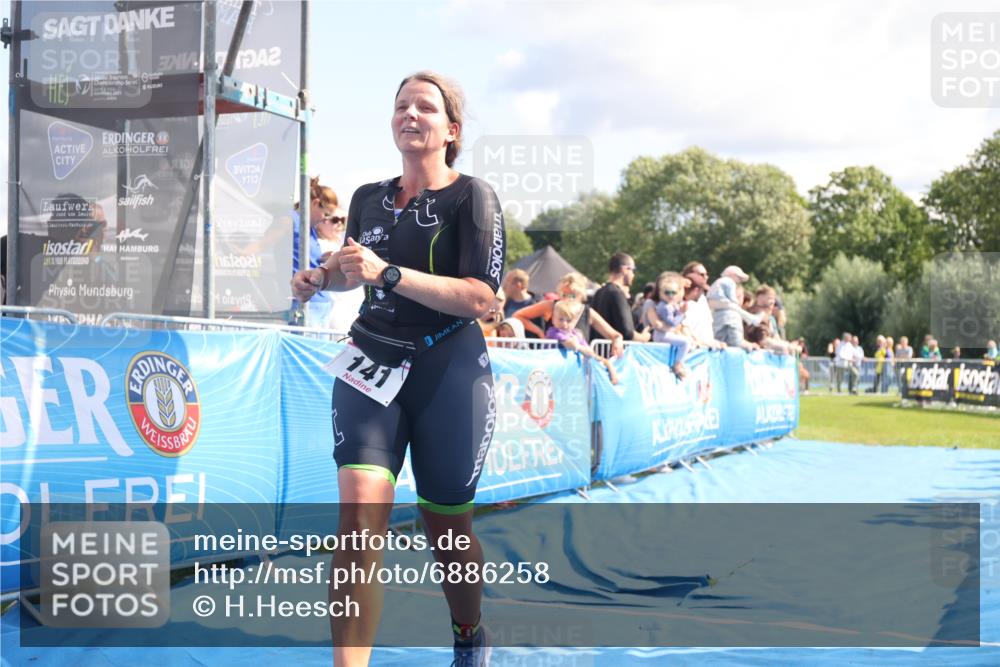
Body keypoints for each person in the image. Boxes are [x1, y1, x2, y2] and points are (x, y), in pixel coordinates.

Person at [290, 71, 502, 666]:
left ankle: (468, 634)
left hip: (448, 368)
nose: (410, 114)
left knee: (448, 533)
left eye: (425, 107)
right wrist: (321, 278)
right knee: (358, 522)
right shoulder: (365, 198)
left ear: (450, 130)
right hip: (370, 360)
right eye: (401, 105)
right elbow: (350, 264)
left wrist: (387, 273)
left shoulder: (472, 197)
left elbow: (481, 298)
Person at [512, 271, 627, 357]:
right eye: (562, 294)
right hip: (552, 365)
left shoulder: (588, 312)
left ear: (581, 295)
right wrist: (539, 332)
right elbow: (518, 315)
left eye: (571, 295)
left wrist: (617, 341)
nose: (566, 298)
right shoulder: (551, 305)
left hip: (577, 372)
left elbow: (615, 335)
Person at [288, 177, 340, 326]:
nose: (326, 220)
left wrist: (325, 259)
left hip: (320, 301)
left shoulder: (310, 228)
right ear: (315, 204)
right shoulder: (291, 220)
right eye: (326, 214)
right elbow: (264, 244)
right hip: (306, 303)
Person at [546, 299, 619, 384]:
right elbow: (571, 345)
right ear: (553, 319)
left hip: (570, 377)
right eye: (561, 319)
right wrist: (579, 347)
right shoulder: (553, 332)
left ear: (574, 322)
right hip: (554, 375)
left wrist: (608, 365)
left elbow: (590, 352)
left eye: (569, 321)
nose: (564, 324)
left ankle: (610, 367)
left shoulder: (577, 334)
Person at [589, 252, 650, 343]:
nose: (633, 275)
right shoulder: (616, 293)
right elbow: (627, 332)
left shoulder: (599, 292)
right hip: (614, 353)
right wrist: (644, 337)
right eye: (633, 270)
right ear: (625, 269)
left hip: (599, 351)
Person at [643, 271, 693, 378]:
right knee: (685, 342)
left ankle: (678, 364)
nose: (671, 295)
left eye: (674, 292)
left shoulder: (671, 305)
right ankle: (678, 365)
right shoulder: (656, 304)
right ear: (660, 291)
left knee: (687, 342)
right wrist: (680, 314)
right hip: (653, 344)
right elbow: (659, 324)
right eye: (667, 292)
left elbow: (677, 325)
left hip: (662, 341)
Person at [707, 265, 762, 349]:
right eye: (738, 277)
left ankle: (751, 319)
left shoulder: (717, 282)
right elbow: (732, 297)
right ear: (731, 274)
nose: (739, 281)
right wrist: (736, 303)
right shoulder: (729, 282)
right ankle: (752, 319)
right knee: (735, 311)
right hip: (725, 306)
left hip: (716, 310)